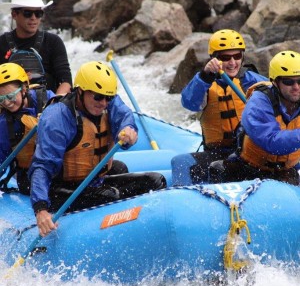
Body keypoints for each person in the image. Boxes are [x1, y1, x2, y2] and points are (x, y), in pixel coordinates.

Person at [28, 61, 167, 237]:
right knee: (111, 196)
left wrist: (129, 129)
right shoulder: (57, 118)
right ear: (80, 91)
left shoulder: (109, 102)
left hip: (96, 181)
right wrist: (41, 208)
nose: (103, 103)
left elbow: (124, 116)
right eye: (98, 97)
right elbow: (42, 166)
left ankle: (154, 232)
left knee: (156, 181)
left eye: (108, 98)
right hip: (61, 189)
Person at [171, 29, 267, 186]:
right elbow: (189, 103)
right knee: (181, 163)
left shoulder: (254, 81)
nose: (232, 62)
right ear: (213, 58)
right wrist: (205, 76)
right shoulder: (204, 83)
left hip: (248, 154)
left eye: (237, 56)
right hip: (215, 153)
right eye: (225, 57)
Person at [209, 50, 300, 186]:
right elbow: (271, 142)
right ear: (275, 82)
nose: (296, 87)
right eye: (288, 81)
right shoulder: (259, 102)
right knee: (217, 168)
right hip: (249, 169)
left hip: (285, 171)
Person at [0, 62, 55, 193]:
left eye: (10, 96)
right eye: (1, 99)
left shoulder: (46, 98)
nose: (7, 103)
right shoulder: (4, 123)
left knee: (113, 169)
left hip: (59, 165)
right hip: (30, 177)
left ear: (24, 89)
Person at [0, 0, 72, 94]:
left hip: (46, 104)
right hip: (8, 105)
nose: (33, 18)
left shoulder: (53, 42)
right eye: (27, 13)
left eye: (38, 13)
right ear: (14, 14)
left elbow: (66, 81)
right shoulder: (1, 43)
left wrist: (54, 103)